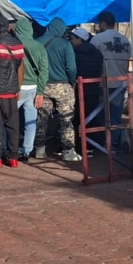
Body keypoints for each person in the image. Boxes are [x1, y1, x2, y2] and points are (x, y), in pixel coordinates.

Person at [34, 17, 81, 162]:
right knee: (66, 118)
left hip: (42, 86)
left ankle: (39, 149)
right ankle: (68, 151)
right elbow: (71, 67)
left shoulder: (37, 42)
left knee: (41, 118)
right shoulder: (65, 44)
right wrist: (72, 83)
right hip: (62, 86)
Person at [90, 11, 132, 152]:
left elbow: (91, 59)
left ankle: (102, 143)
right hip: (120, 83)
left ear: (103, 23)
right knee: (115, 116)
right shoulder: (126, 40)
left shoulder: (98, 39)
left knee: (99, 115)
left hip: (103, 81)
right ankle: (112, 145)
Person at [0, 16, 25, 168]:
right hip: (12, 91)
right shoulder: (18, 45)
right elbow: (21, 68)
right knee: (13, 126)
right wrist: (17, 87)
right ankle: (13, 157)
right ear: (9, 28)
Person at [13, 18, 48, 162]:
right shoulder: (39, 46)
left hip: (16, 88)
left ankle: (8, 148)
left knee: (8, 120)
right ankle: (26, 151)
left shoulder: (13, 45)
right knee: (31, 121)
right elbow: (44, 71)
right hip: (33, 88)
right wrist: (40, 92)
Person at [69, 27, 105, 141]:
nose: (70, 41)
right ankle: (90, 145)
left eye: (72, 38)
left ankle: (77, 144)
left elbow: (73, 70)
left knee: (76, 117)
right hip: (94, 88)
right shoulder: (98, 53)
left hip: (79, 89)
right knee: (90, 117)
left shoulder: (75, 53)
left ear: (79, 39)